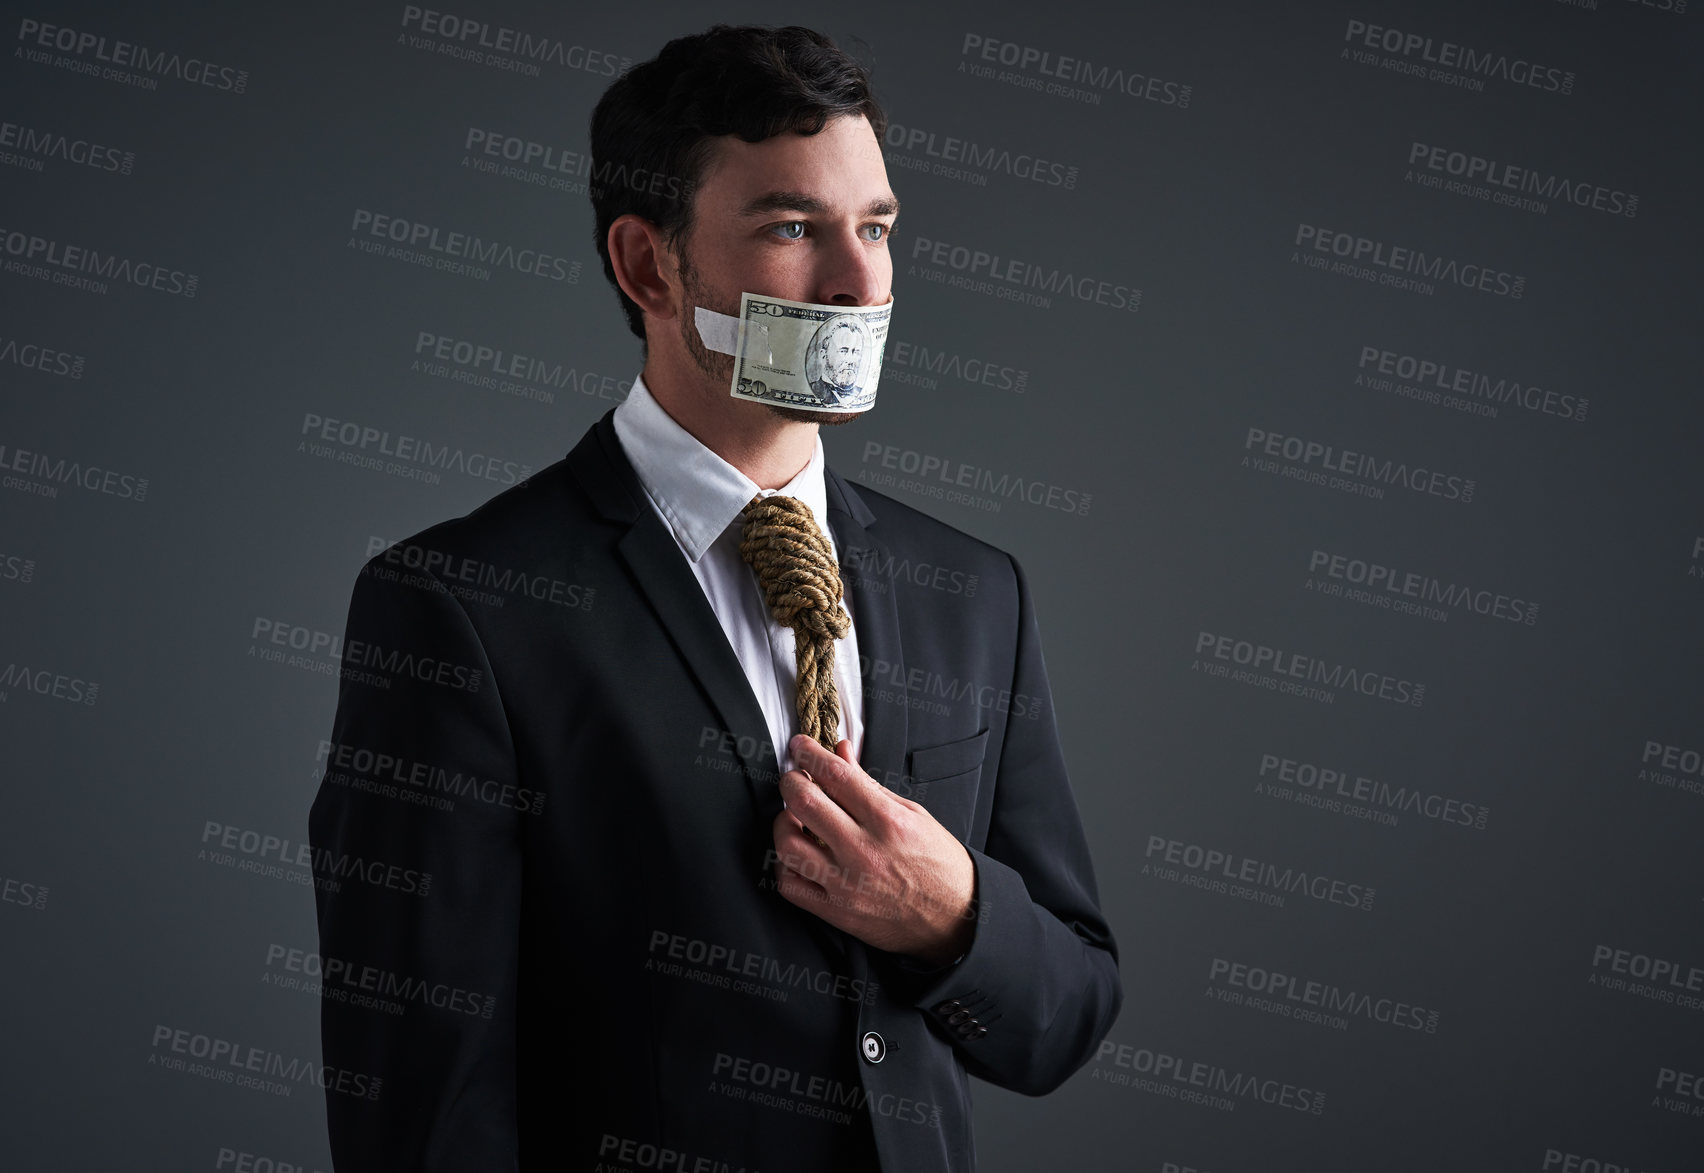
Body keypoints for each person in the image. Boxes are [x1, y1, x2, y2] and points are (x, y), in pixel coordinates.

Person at [308, 24, 1121, 1173]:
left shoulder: (976, 593)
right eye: (794, 228)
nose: (858, 280)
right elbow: (422, 1113)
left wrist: (951, 918)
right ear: (649, 267)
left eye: (876, 227)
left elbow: (1068, 1016)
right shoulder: (462, 610)